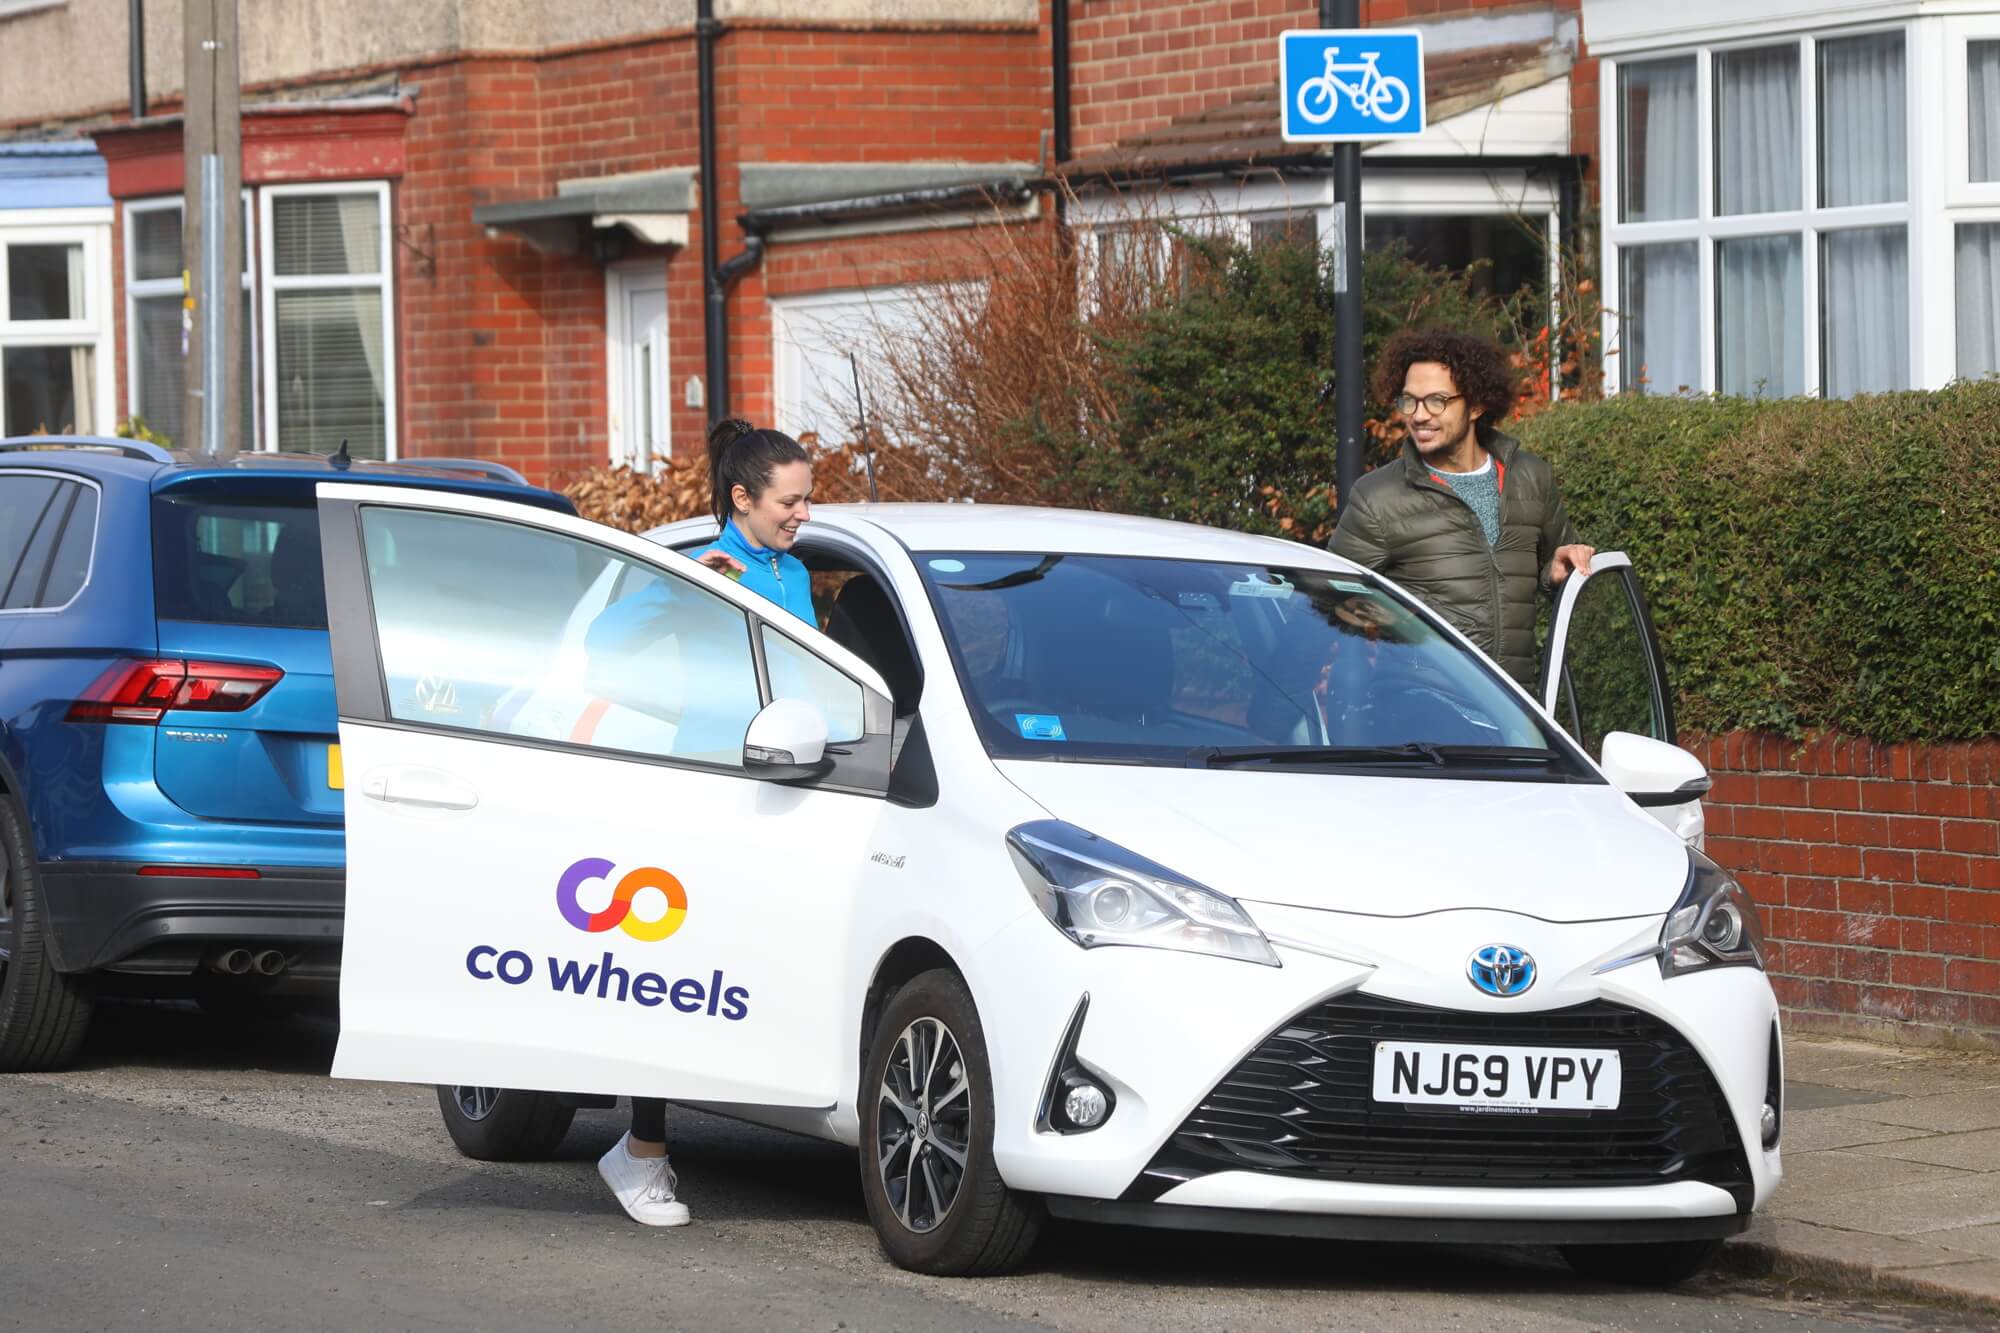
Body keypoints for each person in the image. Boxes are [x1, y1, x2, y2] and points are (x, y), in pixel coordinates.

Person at [595, 417, 814, 1228]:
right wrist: (681, 584)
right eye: (789, 502)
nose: (802, 514)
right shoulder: (706, 570)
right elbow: (603, 644)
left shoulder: (795, 571)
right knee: (678, 981)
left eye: (807, 501)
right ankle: (642, 1153)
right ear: (743, 498)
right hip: (708, 794)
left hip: (789, 792)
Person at [1329, 330, 1594, 691]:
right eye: (1409, 401)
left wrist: (1556, 572)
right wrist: (1394, 619)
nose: (1419, 415)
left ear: (1476, 405)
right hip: (1423, 707)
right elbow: (1330, 604)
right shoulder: (1378, 497)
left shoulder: (1531, 478)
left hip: (1513, 706)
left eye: (1436, 401)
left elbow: (1559, 583)